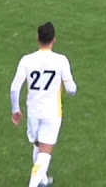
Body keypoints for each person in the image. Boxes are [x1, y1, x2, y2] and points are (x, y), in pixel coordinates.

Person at [9, 22, 77, 187]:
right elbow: (71, 89)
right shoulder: (61, 60)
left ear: (38, 39)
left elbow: (14, 88)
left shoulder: (26, 60)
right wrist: (71, 89)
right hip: (52, 113)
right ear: (54, 39)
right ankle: (34, 184)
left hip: (33, 111)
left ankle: (43, 180)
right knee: (45, 152)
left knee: (39, 146)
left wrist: (16, 109)